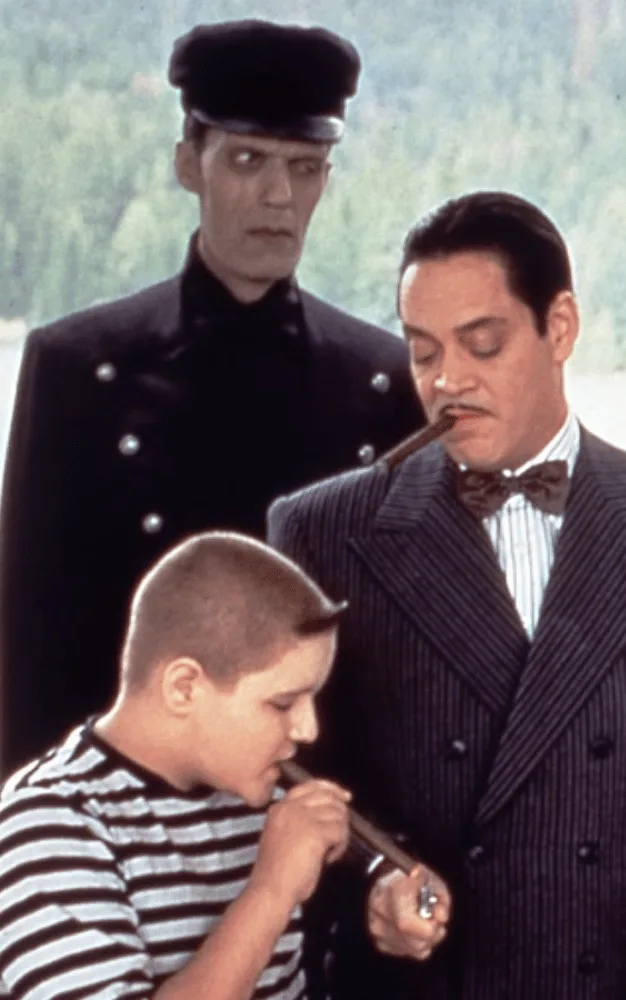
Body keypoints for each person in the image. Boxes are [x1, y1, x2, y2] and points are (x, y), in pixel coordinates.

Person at [268, 191, 626, 999]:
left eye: (483, 344)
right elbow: (288, 778)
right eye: (423, 351)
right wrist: (372, 884)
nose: (447, 381)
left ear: (560, 327)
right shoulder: (323, 531)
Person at [0, 19, 425, 775]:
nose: (277, 196)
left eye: (305, 167)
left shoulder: (383, 380)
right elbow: (26, 647)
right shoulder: (78, 367)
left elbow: (399, 658)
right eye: (247, 159)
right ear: (188, 164)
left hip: (312, 807)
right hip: (123, 810)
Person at [0, 532, 369, 999]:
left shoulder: (257, 795)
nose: (308, 729)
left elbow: (346, 863)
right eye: (282, 703)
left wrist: (383, 888)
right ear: (184, 687)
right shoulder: (44, 827)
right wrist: (272, 890)